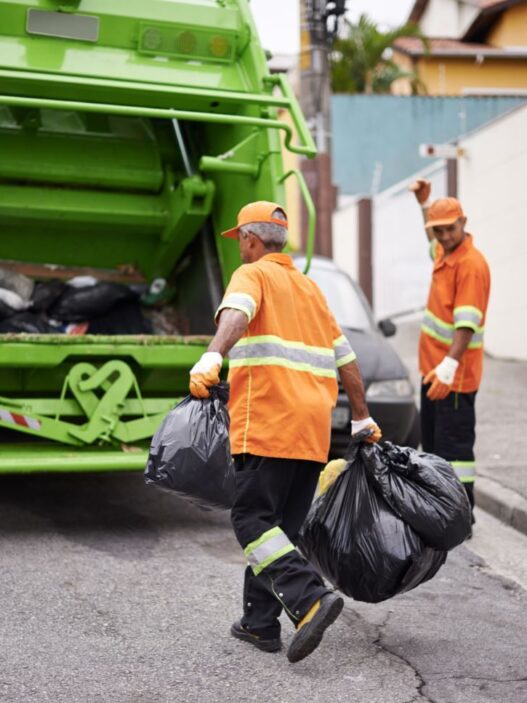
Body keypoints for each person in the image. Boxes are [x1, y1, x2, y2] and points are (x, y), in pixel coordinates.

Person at [189, 201, 381, 663]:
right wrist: (361, 417)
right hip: (312, 432)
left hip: (268, 422)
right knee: (278, 531)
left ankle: (309, 596)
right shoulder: (312, 290)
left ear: (253, 241)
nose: (240, 249)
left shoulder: (253, 275)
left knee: (251, 520)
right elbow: (347, 360)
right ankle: (259, 625)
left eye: (240, 241)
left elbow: (235, 314)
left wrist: (212, 356)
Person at [409, 180, 491, 524]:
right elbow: (432, 241)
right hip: (434, 372)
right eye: (438, 230)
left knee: (456, 452)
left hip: (453, 377)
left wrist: (448, 367)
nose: (443, 235)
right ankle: (442, 509)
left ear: (464, 223)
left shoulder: (470, 265)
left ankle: (461, 517)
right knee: (435, 447)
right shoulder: (445, 253)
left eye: (448, 228)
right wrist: (424, 203)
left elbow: (466, 325)